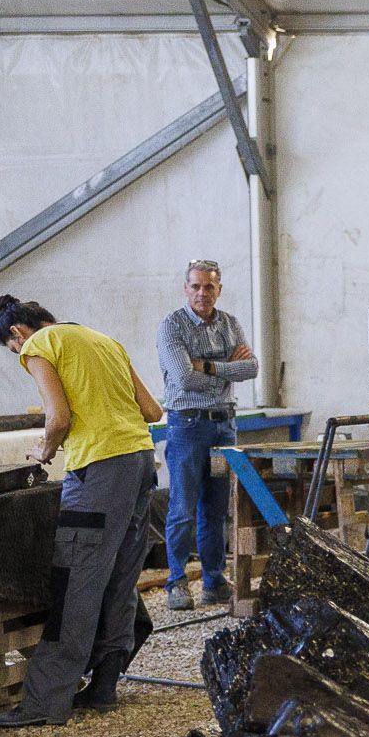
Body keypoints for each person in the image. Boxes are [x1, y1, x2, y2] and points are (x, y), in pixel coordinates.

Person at [0, 296, 163, 728]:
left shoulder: (39, 345)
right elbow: (152, 411)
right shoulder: (104, 340)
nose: (20, 359)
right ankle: (104, 687)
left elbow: (58, 417)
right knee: (120, 579)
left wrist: (43, 450)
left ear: (17, 333)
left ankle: (45, 703)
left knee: (76, 584)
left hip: (100, 469)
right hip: (140, 462)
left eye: (14, 353)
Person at [154, 258, 256, 609]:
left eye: (209, 286)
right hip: (187, 425)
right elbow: (184, 378)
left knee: (217, 509)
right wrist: (230, 367)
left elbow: (252, 368)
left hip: (224, 425)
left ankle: (214, 581)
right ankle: (176, 583)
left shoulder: (230, 323)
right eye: (195, 286)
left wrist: (208, 365)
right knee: (182, 508)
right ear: (186, 288)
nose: (202, 293)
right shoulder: (172, 326)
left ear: (219, 289)